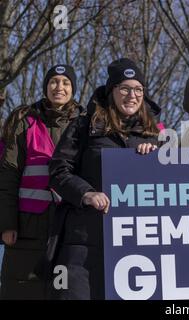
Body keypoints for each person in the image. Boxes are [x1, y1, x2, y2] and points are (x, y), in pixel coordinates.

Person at [48, 58, 159, 300]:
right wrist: (85, 193)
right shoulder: (83, 126)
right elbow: (58, 171)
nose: (132, 95)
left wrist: (154, 160)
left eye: (138, 89)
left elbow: (166, 190)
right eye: (125, 88)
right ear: (112, 92)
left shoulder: (154, 135)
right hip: (83, 241)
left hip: (134, 246)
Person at [0, 64, 83, 299]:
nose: (59, 87)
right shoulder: (25, 123)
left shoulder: (85, 125)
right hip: (28, 229)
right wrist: (7, 224)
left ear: (73, 89)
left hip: (70, 227)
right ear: (46, 87)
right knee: (22, 290)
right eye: (54, 82)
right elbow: (8, 175)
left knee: (67, 292)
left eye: (66, 82)